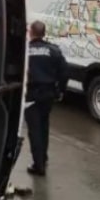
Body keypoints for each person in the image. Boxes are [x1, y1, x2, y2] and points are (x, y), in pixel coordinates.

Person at [23, 21, 68, 177]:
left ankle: (38, 165)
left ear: (31, 33)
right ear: (43, 33)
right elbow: (64, 71)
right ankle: (44, 157)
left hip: (32, 95)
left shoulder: (25, 51)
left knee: (34, 130)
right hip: (48, 94)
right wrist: (60, 90)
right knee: (44, 126)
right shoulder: (53, 50)